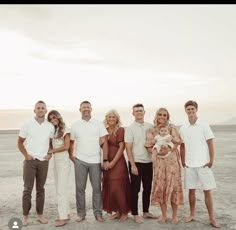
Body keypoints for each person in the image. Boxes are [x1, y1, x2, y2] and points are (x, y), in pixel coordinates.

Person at [179, 100, 221, 228]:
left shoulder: (203, 124)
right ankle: (192, 214)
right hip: (189, 164)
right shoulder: (183, 127)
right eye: (188, 109)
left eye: (192, 109)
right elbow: (182, 146)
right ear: (185, 110)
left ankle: (212, 218)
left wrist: (211, 159)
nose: (190, 111)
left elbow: (210, 142)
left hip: (203, 163)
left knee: (207, 191)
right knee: (191, 190)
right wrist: (183, 160)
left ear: (196, 110)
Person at [69, 101, 109, 223]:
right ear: (79, 109)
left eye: (88, 107)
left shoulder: (98, 124)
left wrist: (105, 159)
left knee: (97, 188)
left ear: (91, 109)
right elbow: (71, 142)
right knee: (80, 188)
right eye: (83, 107)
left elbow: (105, 142)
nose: (86, 109)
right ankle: (81, 214)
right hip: (80, 160)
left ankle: (98, 213)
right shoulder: (75, 125)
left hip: (95, 161)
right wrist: (72, 156)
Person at [17, 100, 54, 226]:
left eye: (42, 107)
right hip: (30, 161)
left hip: (43, 162)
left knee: (40, 189)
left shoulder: (50, 126)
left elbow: (51, 144)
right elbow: (20, 142)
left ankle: (40, 215)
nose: (40, 109)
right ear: (34, 110)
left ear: (46, 110)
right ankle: (25, 217)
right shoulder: (27, 124)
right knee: (27, 189)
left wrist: (50, 154)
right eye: (38, 107)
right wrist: (26, 155)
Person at [145, 108, 184, 224]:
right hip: (159, 164)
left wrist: (168, 150)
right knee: (161, 187)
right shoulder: (151, 131)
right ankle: (163, 215)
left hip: (172, 163)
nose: (162, 117)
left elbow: (177, 142)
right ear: (156, 116)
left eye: (164, 115)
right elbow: (147, 145)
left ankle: (174, 216)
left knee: (174, 187)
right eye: (160, 114)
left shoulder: (172, 128)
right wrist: (155, 151)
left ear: (167, 117)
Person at [124, 103, 157, 224]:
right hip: (136, 162)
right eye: (136, 111)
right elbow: (128, 148)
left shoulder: (150, 126)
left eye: (141, 110)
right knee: (135, 189)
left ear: (144, 112)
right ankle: (135, 214)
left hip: (148, 162)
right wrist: (132, 165)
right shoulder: (130, 128)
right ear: (133, 113)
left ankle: (146, 211)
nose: (139, 112)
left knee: (147, 188)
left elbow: (156, 142)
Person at [102, 109, 131, 222]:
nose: (111, 119)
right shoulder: (104, 130)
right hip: (107, 162)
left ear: (117, 118)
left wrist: (113, 162)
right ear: (106, 118)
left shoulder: (120, 130)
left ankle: (124, 211)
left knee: (118, 187)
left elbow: (121, 148)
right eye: (109, 117)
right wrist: (105, 162)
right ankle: (117, 211)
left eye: (114, 117)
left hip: (118, 163)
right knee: (110, 188)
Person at [47, 110, 71, 227]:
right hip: (56, 161)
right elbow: (50, 144)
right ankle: (66, 213)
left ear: (59, 117)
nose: (53, 120)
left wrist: (52, 151)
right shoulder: (54, 130)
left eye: (54, 117)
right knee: (60, 188)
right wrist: (50, 151)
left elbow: (66, 146)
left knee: (61, 189)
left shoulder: (65, 128)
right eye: (50, 119)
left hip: (63, 161)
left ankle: (63, 217)